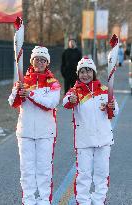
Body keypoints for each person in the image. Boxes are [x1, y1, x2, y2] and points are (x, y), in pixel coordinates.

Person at [8, 46, 61, 205]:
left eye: (43, 60)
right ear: (32, 61)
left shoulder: (53, 83)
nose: (40, 62)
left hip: (46, 132)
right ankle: (29, 200)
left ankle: (44, 200)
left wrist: (30, 94)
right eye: (37, 59)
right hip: (25, 132)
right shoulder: (22, 81)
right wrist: (18, 92)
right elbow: (12, 102)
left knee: (44, 170)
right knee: (27, 170)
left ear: (47, 63)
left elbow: (51, 103)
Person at [63, 57, 119, 205]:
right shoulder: (75, 91)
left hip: (104, 139)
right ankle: (83, 201)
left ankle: (99, 200)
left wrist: (111, 106)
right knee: (84, 174)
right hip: (84, 140)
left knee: (101, 174)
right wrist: (71, 100)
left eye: (88, 71)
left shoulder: (105, 90)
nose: (85, 75)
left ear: (93, 73)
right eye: (82, 71)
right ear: (78, 74)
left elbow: (116, 110)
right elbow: (65, 102)